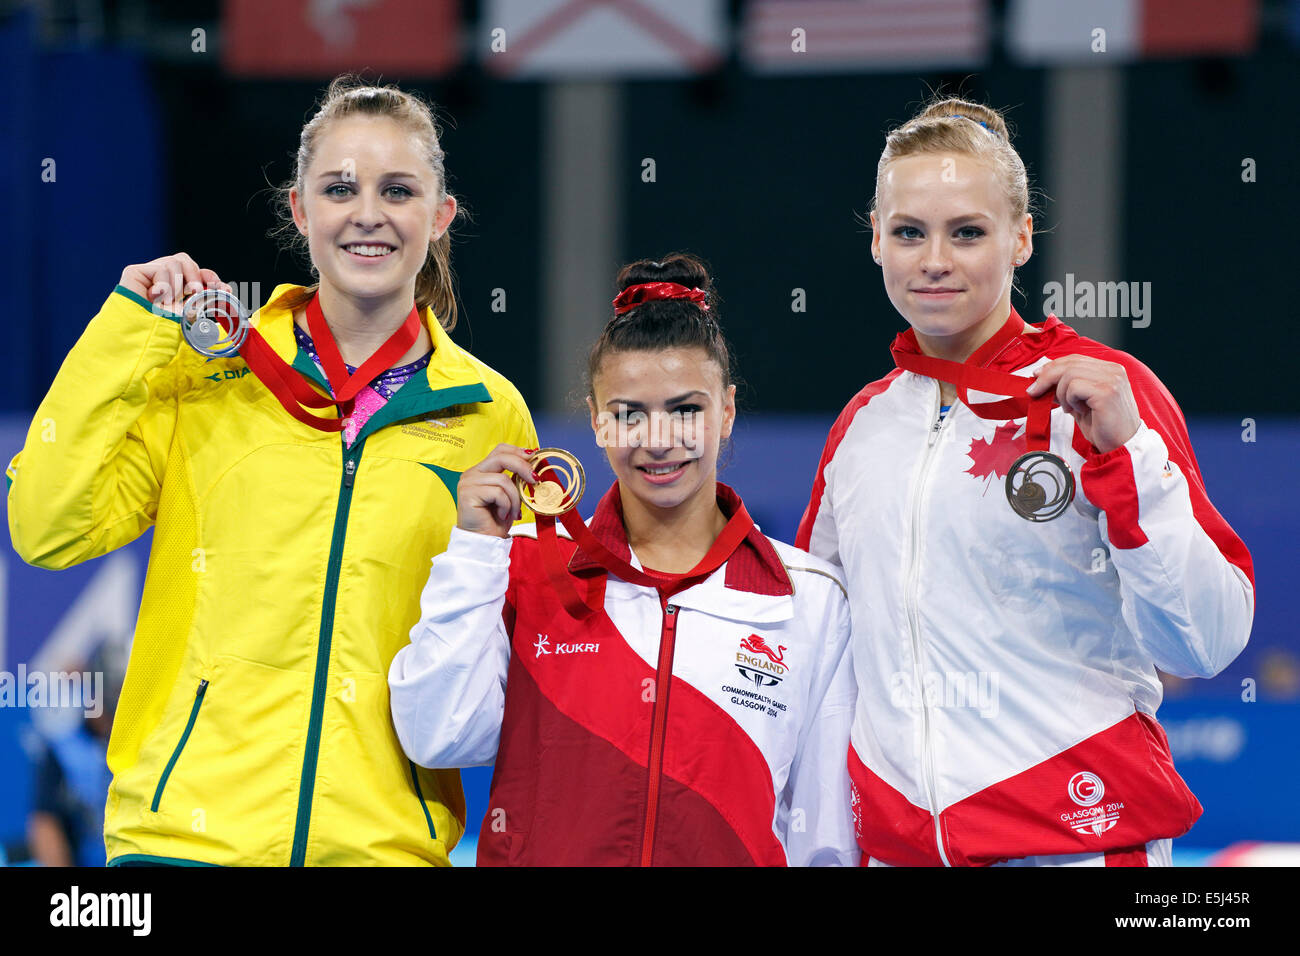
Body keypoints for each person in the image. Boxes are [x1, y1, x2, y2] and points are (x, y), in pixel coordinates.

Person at [6, 76, 538, 866]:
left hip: (380, 851)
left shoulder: (489, 414)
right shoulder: (207, 371)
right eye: (339, 189)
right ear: (299, 210)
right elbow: (46, 527)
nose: (367, 213)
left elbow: (508, 665)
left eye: (398, 190)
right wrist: (125, 331)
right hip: (183, 842)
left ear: (440, 215)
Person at [797, 97, 1254, 867]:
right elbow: (820, 649)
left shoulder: (1107, 396)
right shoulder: (863, 428)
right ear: (876, 240)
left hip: (1076, 841)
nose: (934, 259)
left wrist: (1127, 455)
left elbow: (1207, 640)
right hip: (899, 849)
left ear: (1021, 239)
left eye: (967, 232)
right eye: (909, 232)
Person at [389, 254, 858, 866]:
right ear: (597, 422)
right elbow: (436, 734)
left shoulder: (809, 599)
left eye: (686, 409)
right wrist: (476, 550)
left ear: (728, 412)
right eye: (628, 414)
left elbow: (824, 840)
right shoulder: (524, 565)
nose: (657, 439)